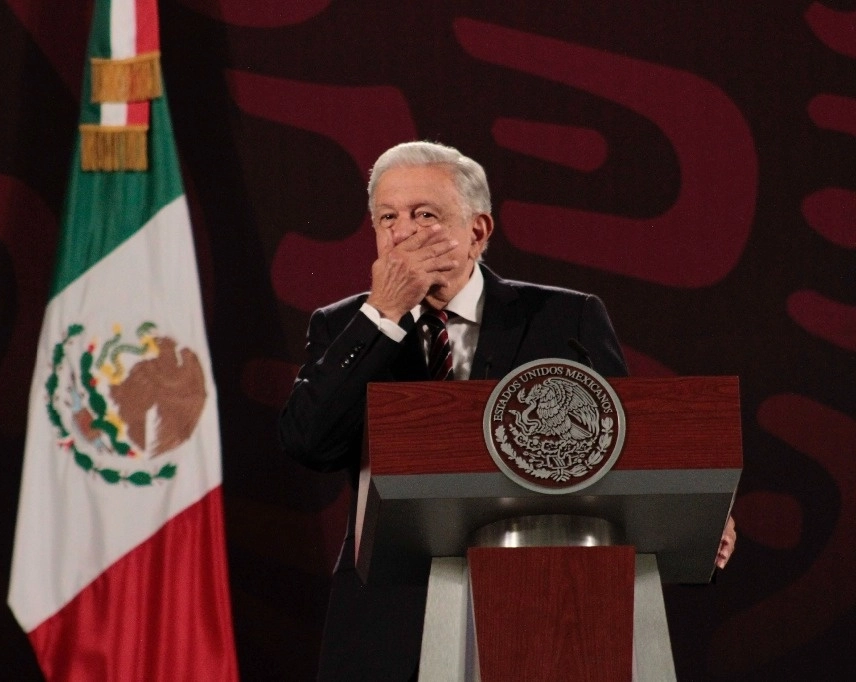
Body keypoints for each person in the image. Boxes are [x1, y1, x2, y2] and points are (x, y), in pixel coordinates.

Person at [278, 141, 734, 680]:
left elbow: (621, 443)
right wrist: (383, 315)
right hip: (393, 608)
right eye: (387, 218)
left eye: (425, 215)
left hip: (550, 599)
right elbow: (308, 442)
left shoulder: (566, 317)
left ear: (477, 231)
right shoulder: (346, 327)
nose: (402, 232)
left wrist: (689, 502)